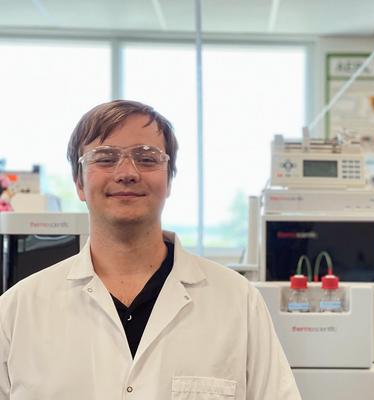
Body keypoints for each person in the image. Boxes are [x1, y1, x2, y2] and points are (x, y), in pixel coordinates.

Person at [0, 100, 302, 399]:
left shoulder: (237, 300)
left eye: (146, 158)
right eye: (105, 158)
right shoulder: (17, 310)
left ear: (169, 179)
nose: (127, 172)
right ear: (79, 183)